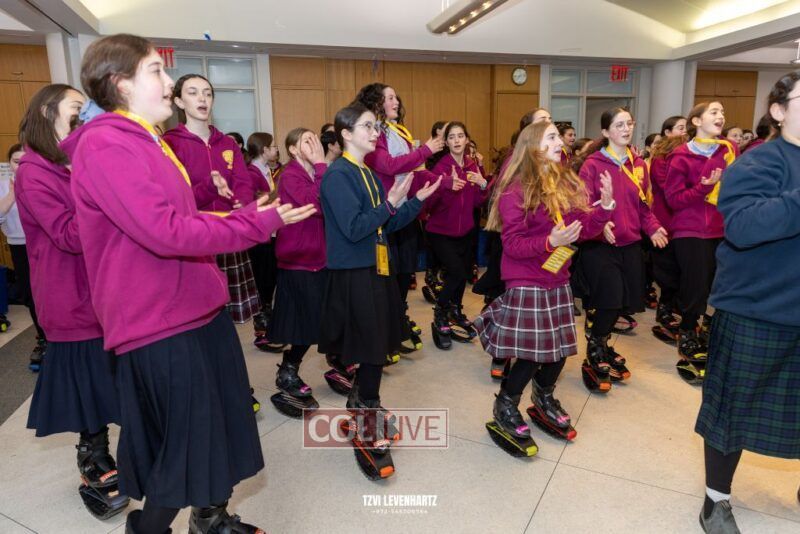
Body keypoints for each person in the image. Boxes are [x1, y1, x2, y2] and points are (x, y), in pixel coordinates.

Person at [67, 33, 315, 533]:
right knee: (183, 442)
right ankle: (148, 528)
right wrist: (254, 225)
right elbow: (164, 231)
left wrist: (245, 214)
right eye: (156, 71)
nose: (169, 82)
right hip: (158, 321)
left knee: (220, 424)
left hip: (196, 309)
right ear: (120, 83)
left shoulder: (146, 139)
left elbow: (184, 215)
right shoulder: (106, 143)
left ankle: (211, 518)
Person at [16, 83, 128, 520]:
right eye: (76, 108)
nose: (84, 116)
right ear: (48, 111)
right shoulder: (34, 171)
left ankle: (116, 448)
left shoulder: (72, 162)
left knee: (113, 376)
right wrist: (105, 199)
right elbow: (67, 234)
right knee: (88, 381)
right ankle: (93, 454)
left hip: (104, 288)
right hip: (68, 293)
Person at [695, 70, 800, 534]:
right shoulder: (757, 162)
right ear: (778, 111)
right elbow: (742, 228)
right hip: (756, 310)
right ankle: (715, 501)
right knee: (731, 410)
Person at [476, 120, 614, 452]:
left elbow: (581, 228)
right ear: (533, 146)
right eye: (551, 137)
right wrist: (550, 240)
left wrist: (605, 208)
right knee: (531, 354)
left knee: (560, 350)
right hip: (526, 279)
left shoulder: (560, 182)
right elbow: (513, 245)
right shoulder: (515, 190)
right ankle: (506, 403)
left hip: (557, 276)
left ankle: (544, 395)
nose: (559, 143)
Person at [318, 102, 440, 478]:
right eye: (368, 126)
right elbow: (356, 228)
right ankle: (367, 411)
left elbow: (384, 224)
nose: (375, 133)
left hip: (376, 267)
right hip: (354, 273)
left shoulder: (368, 172)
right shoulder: (338, 175)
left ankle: (363, 401)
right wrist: (390, 203)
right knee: (371, 347)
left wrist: (415, 202)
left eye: (375, 127)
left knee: (380, 344)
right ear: (346, 133)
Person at [576, 107, 667, 390]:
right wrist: (599, 223)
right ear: (605, 132)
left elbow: (642, 206)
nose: (626, 129)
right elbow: (581, 206)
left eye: (629, 124)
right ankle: (595, 345)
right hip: (600, 245)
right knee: (610, 299)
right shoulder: (592, 165)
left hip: (630, 243)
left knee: (623, 302)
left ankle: (602, 341)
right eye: (619, 125)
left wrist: (653, 227)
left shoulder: (638, 164)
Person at [164, 74, 262, 332]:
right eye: (193, 93)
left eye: (207, 93)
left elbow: (243, 182)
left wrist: (243, 204)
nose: (202, 99)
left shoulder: (227, 142)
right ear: (179, 101)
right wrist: (210, 187)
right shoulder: (170, 143)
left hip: (228, 231)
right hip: (195, 235)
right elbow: (177, 198)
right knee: (198, 311)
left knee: (228, 315)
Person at [356, 82, 445, 360]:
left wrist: (444, 181)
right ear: (376, 103)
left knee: (405, 274)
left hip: (405, 211)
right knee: (387, 278)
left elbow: (413, 170)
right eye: (390, 98)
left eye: (396, 97)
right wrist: (426, 150)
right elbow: (390, 166)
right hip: (385, 212)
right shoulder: (372, 135)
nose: (396, 101)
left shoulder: (397, 131)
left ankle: (397, 321)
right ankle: (383, 332)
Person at [665, 101, 738, 382]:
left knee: (716, 285)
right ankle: (687, 330)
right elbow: (674, 199)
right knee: (695, 285)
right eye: (714, 112)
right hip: (690, 229)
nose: (721, 116)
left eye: (722, 112)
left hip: (722, 228)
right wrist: (703, 188)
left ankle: (708, 329)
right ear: (696, 121)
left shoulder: (729, 150)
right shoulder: (681, 156)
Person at [267, 128, 331, 415]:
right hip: (299, 259)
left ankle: (336, 360)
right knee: (304, 323)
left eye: (314, 138)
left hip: (320, 257)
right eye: (306, 140)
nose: (313, 143)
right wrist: (321, 166)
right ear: (293, 149)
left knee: (324, 317)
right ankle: (288, 368)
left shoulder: (315, 173)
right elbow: (317, 204)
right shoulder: (291, 175)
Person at [425, 121, 489, 350]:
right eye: (451, 137)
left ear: (467, 139)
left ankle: (455, 309)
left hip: (466, 231)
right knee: (456, 272)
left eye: (460, 136)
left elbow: (478, 201)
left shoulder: (472, 165)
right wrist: (447, 186)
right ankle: (441, 312)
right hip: (440, 231)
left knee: (462, 276)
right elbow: (429, 204)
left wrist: (483, 184)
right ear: (446, 142)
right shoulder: (440, 167)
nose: (457, 140)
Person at [2, 144, 46, 368]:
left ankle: (61, 339)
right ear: (9, 163)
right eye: (16, 162)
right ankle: (43, 339)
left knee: (51, 294)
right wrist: (12, 194)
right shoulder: (3, 185)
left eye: (26, 161)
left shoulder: (42, 181)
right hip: (19, 246)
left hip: (46, 245)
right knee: (30, 295)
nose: (21, 166)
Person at [647, 117, 689, 346]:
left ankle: (677, 307)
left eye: (686, 128)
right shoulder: (661, 158)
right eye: (680, 128)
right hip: (664, 221)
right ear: (667, 132)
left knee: (683, 269)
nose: (685, 132)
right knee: (667, 269)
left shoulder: (689, 154)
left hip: (685, 222)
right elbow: (669, 188)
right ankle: (665, 308)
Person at [243, 132, 286, 352]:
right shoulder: (251, 173)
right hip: (259, 235)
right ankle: (262, 333)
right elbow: (255, 203)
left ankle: (270, 328)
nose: (276, 149)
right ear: (264, 150)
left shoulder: (266, 170)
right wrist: (273, 198)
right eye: (273, 146)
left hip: (271, 232)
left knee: (269, 281)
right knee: (263, 282)